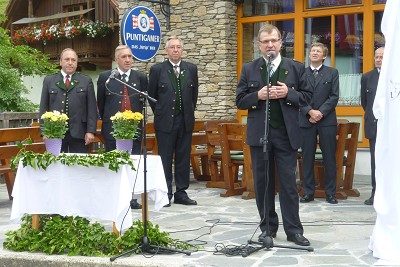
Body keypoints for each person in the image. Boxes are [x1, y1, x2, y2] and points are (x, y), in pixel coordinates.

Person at [236, 24, 313, 246]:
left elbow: (307, 97)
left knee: (289, 184)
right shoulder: (249, 68)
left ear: (281, 42)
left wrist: (289, 93)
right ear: (259, 45)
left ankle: (294, 230)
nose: (270, 45)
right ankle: (267, 228)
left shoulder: (295, 68)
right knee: (263, 184)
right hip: (260, 135)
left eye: (274, 40)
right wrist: (257, 95)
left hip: (286, 134)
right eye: (265, 41)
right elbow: (240, 100)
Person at [148, 36, 199, 207]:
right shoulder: (158, 70)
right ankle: (166, 193)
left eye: (178, 47)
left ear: (182, 50)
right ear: (167, 50)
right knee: (165, 158)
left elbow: (194, 95)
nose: (176, 50)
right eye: (172, 47)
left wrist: (187, 113)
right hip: (165, 122)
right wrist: (162, 113)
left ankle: (181, 192)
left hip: (185, 121)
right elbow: (152, 97)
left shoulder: (190, 69)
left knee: (183, 157)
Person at [97, 45, 148, 210]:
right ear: (116, 59)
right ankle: (114, 197)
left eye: (130, 57)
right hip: (113, 130)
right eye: (124, 57)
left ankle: (131, 198)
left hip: (133, 130)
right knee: (114, 164)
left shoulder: (140, 77)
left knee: (132, 164)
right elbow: (102, 104)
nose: (128, 60)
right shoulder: (106, 77)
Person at [299, 43, 339, 204]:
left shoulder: (332, 73)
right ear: (309, 55)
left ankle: (331, 193)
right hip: (306, 120)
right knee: (307, 157)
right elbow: (297, 95)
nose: (315, 53)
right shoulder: (301, 73)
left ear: (324, 56)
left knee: (329, 157)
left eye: (318, 51)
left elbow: (334, 97)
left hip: (326, 121)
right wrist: (309, 111)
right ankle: (308, 192)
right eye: (312, 51)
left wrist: (319, 113)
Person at [39, 48, 97, 153]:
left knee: (79, 166)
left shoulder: (85, 80)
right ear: (61, 62)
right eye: (67, 59)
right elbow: (43, 107)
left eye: (73, 60)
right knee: (56, 166)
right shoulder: (49, 80)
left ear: (77, 62)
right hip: (55, 132)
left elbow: (92, 108)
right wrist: (44, 132)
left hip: (79, 132)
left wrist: (90, 131)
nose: (70, 63)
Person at [361, 47, 384, 206]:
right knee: (375, 162)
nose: (378, 59)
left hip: (391, 128)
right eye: (376, 56)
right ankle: (375, 193)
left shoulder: (394, 76)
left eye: (382, 57)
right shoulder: (367, 77)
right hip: (374, 126)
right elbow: (365, 103)